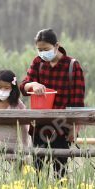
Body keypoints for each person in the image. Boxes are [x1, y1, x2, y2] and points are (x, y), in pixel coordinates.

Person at [19, 29, 85, 177]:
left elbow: (77, 101)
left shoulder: (72, 66)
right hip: (39, 127)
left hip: (62, 127)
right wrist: (33, 84)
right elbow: (23, 86)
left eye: (46, 49)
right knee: (37, 172)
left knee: (60, 173)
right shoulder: (38, 63)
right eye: (39, 50)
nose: (42, 53)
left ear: (56, 46)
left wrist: (74, 128)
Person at [0, 70, 31, 148]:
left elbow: (25, 127)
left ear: (12, 88)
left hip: (15, 147)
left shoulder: (18, 105)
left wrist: (24, 146)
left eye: (7, 87)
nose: (2, 90)